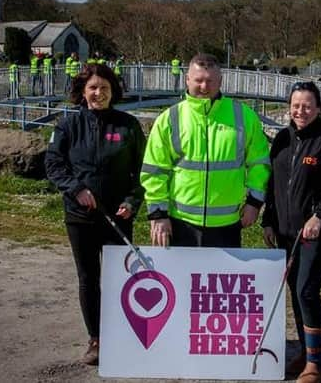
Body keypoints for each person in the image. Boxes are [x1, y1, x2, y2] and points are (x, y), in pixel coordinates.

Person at [45, 64, 146, 366]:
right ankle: (96, 339)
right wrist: (76, 190)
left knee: (119, 279)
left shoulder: (128, 125)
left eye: (104, 87)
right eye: (93, 88)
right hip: (80, 217)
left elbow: (143, 170)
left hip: (119, 217)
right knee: (89, 278)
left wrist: (132, 201)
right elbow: (53, 164)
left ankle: (122, 335)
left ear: (113, 90)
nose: (98, 93)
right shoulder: (67, 126)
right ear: (83, 92)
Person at [262, 81, 321, 383]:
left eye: (307, 105)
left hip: (317, 231)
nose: (300, 110)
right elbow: (273, 185)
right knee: (295, 291)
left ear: (319, 108)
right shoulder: (281, 140)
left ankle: (317, 364)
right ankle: (304, 351)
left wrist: (319, 216)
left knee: (306, 291)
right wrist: (268, 220)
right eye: (296, 105)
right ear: (289, 106)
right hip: (285, 232)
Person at [140, 53, 270, 248]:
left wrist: (254, 203)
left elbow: (259, 164)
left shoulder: (244, 116)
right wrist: (158, 214)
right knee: (180, 279)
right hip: (181, 223)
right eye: (198, 80)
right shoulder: (169, 119)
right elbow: (155, 170)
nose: (204, 87)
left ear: (221, 81)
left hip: (227, 225)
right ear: (187, 79)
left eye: (210, 81)